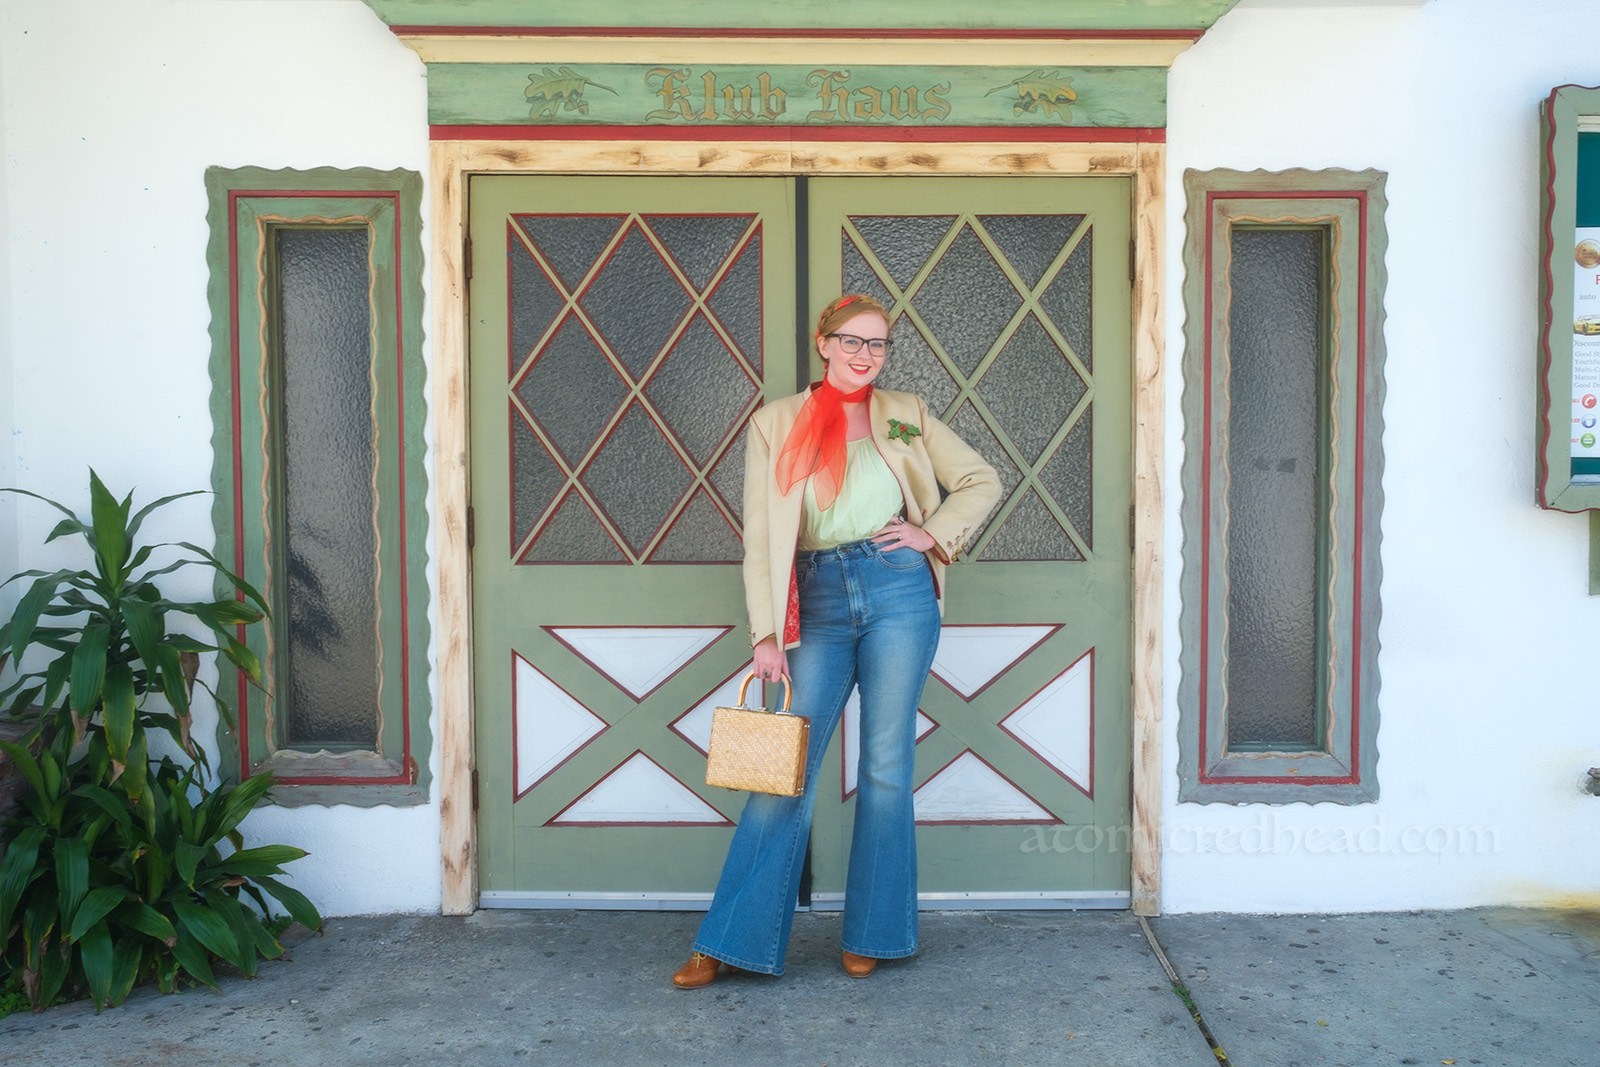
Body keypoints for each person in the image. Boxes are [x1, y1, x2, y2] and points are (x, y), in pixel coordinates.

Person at [673, 294, 1000, 987]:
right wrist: (766, 631)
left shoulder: (905, 412)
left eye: (878, 345)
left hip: (897, 592)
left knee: (886, 765)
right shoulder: (775, 423)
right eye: (851, 341)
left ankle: (877, 932)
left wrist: (930, 533)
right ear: (823, 343)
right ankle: (730, 940)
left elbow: (980, 479)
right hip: (814, 599)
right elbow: (763, 535)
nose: (864, 355)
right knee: (783, 768)